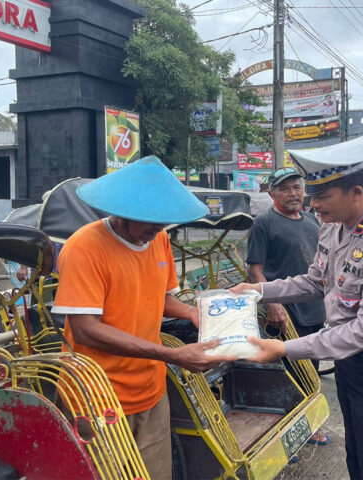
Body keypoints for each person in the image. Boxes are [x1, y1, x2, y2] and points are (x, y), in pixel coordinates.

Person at [232, 134, 363, 480]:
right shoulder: (332, 228)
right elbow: (314, 281)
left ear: (356, 192)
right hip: (351, 361)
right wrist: (258, 290)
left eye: (322, 195)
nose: (312, 205)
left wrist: (284, 348)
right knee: (360, 453)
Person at [51, 157, 236, 479]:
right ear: (123, 214)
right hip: (97, 393)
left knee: (154, 474)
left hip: (150, 389)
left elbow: (160, 298)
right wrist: (172, 355)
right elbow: (85, 330)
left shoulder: (158, 239)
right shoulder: (85, 247)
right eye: (151, 222)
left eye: (164, 223)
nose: (158, 230)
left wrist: (193, 312)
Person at [246, 166, 330, 448]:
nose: (293, 193)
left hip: (314, 309)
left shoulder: (311, 221)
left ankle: (310, 424)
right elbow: (255, 271)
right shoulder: (263, 223)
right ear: (272, 194)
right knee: (287, 375)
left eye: (297, 187)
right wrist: (272, 303)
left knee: (311, 368)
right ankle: (289, 434)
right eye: (285, 188)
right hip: (284, 313)